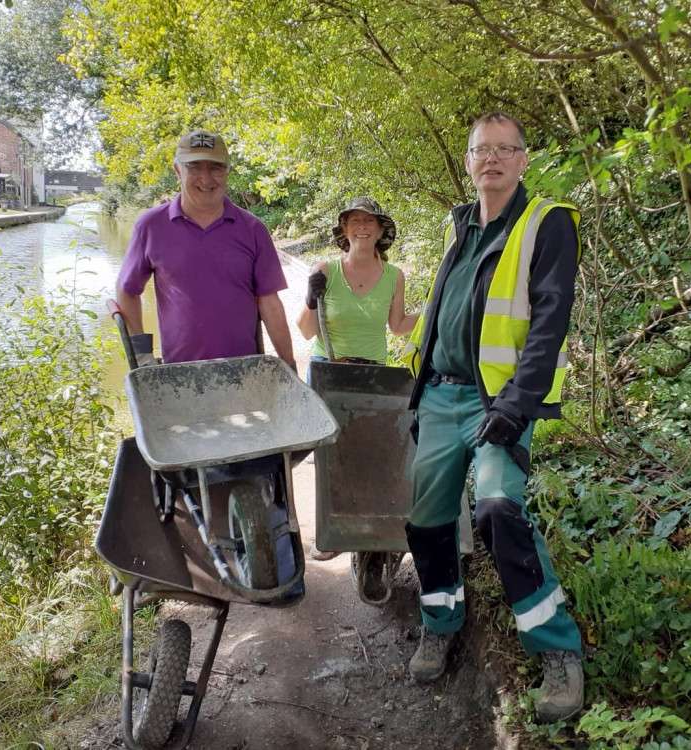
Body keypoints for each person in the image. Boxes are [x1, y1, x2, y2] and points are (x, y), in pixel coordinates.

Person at [403, 112, 584, 723]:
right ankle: (440, 621)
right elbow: (439, 316)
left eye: (506, 150)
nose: (493, 159)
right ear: (469, 160)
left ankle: (557, 649)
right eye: (483, 149)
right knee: (426, 519)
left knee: (498, 508)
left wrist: (515, 404)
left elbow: (549, 324)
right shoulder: (460, 225)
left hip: (497, 403)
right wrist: (417, 391)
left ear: (524, 160)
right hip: (439, 396)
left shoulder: (546, 224)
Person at [296, 196, 417, 561]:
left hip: (372, 375)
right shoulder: (326, 270)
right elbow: (305, 331)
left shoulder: (395, 276)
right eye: (355, 221)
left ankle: (367, 531)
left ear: (381, 231)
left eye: (370, 221)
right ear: (344, 230)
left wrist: (437, 313)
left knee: (368, 454)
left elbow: (397, 327)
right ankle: (329, 535)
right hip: (329, 371)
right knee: (330, 456)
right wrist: (309, 298)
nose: (362, 226)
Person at [115, 128, 296, 370]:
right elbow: (127, 290)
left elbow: (270, 303)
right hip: (179, 376)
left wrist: (289, 365)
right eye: (195, 167)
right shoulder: (150, 226)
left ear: (228, 171)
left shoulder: (253, 230)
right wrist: (142, 355)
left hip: (245, 373)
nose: (206, 178)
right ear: (178, 170)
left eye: (215, 167)